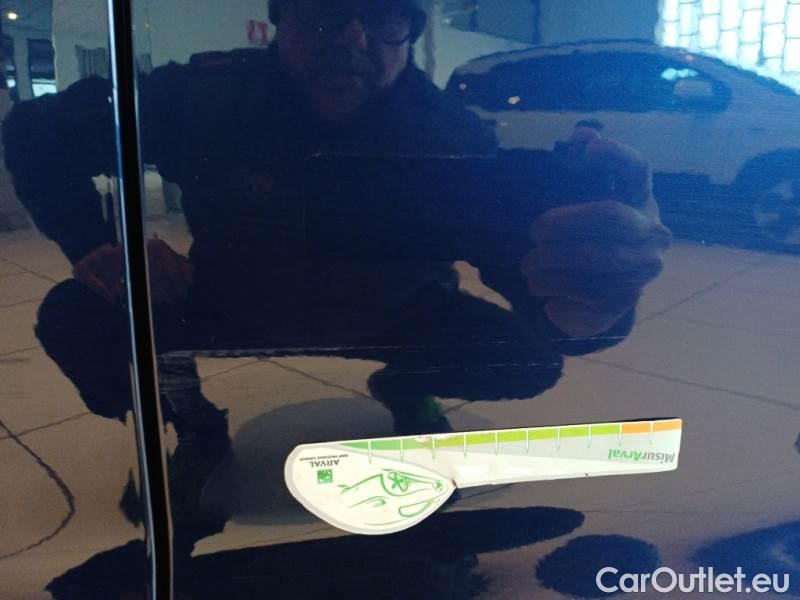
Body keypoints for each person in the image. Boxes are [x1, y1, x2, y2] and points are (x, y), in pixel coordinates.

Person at [3, 0, 670, 437]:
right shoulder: (203, 99)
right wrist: (100, 246)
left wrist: (591, 304)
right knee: (75, 318)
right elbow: (34, 131)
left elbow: (522, 276)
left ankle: (406, 383)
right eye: (327, 11)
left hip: (399, 313)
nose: (354, 37)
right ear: (282, 22)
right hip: (231, 299)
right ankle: (191, 416)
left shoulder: (449, 131)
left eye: (383, 18)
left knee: (530, 360)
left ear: (408, 34)